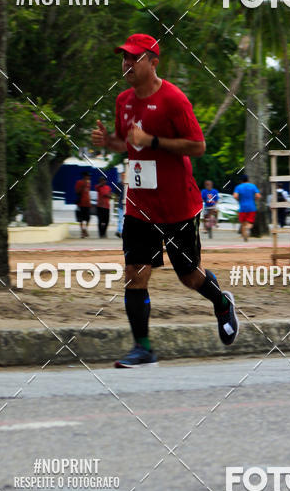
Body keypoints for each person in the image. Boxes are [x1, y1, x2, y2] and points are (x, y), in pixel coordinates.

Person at [91, 33, 238, 367]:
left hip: (177, 205)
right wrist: (107, 141)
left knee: (188, 276)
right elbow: (127, 145)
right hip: (140, 205)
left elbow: (197, 146)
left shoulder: (173, 99)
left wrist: (153, 140)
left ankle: (221, 303)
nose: (127, 64)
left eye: (134, 58)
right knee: (134, 272)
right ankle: (143, 348)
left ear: (153, 62)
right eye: (124, 58)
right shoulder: (123, 100)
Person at [233, 174, 261, 241]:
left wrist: (239, 200)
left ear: (241, 180)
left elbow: (235, 196)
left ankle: (244, 237)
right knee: (250, 222)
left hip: (242, 208)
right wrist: (254, 199)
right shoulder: (253, 186)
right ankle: (248, 228)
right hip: (252, 207)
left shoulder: (238, 187)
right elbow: (258, 196)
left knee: (243, 223)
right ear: (248, 179)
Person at [75, 171, 91, 238]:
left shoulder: (89, 183)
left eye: (89, 176)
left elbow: (87, 193)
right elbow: (77, 192)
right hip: (81, 203)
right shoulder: (79, 182)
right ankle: (82, 231)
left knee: (87, 218)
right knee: (81, 219)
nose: (88, 177)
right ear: (84, 176)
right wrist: (83, 186)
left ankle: (85, 229)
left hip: (87, 203)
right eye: (87, 176)